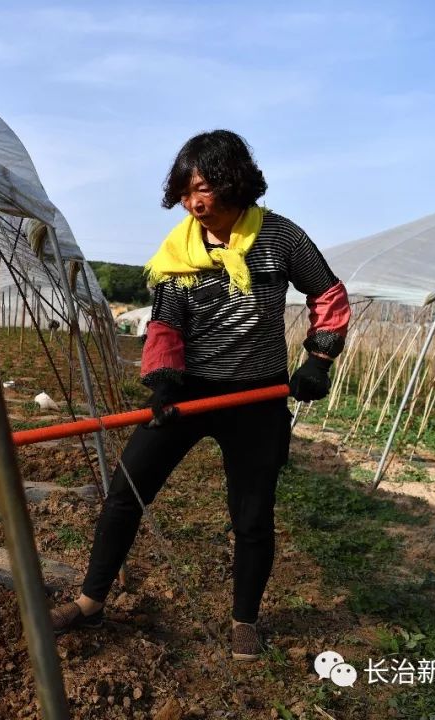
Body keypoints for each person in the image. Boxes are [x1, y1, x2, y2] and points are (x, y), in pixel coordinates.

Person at [50, 130, 351, 660]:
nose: (194, 202)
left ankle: (245, 621)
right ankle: (91, 600)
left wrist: (318, 359)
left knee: (253, 517)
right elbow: (166, 322)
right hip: (190, 393)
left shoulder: (280, 238)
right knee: (127, 491)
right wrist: (163, 377)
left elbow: (326, 292)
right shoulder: (179, 248)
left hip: (256, 398)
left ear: (234, 183)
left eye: (204, 188)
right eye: (186, 192)